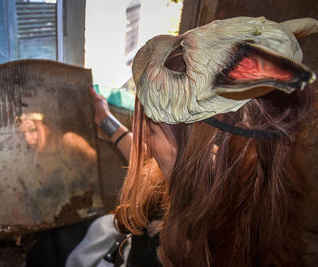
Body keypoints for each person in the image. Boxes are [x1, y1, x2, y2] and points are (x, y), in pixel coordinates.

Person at [68, 17, 318, 266]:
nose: (145, 138)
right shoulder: (209, 186)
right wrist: (106, 120)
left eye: (153, 131)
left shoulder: (200, 255)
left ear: (210, 154)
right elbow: (149, 164)